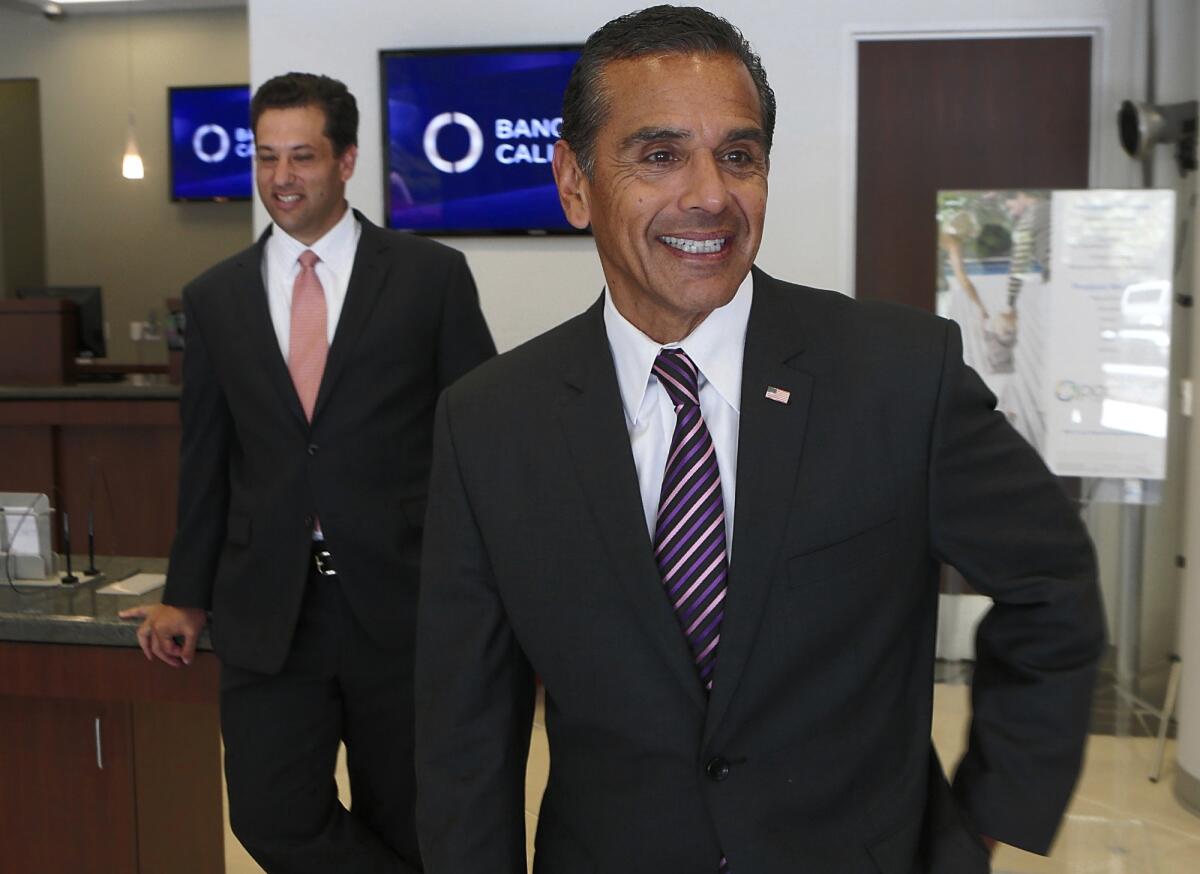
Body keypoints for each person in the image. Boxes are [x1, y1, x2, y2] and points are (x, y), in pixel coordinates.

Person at [413, 7, 1103, 874]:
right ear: (575, 181)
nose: (709, 194)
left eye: (737, 156)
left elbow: (1052, 585)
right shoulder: (488, 422)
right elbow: (463, 728)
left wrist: (981, 822)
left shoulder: (898, 375)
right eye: (660, 156)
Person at [121, 72, 495, 873]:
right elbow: (207, 458)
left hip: (401, 601)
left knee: (410, 815)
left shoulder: (431, 278)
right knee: (268, 813)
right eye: (265, 158)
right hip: (267, 607)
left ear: (348, 159)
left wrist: (487, 586)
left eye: (302, 157)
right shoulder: (214, 297)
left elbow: (478, 446)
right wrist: (186, 594)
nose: (281, 178)